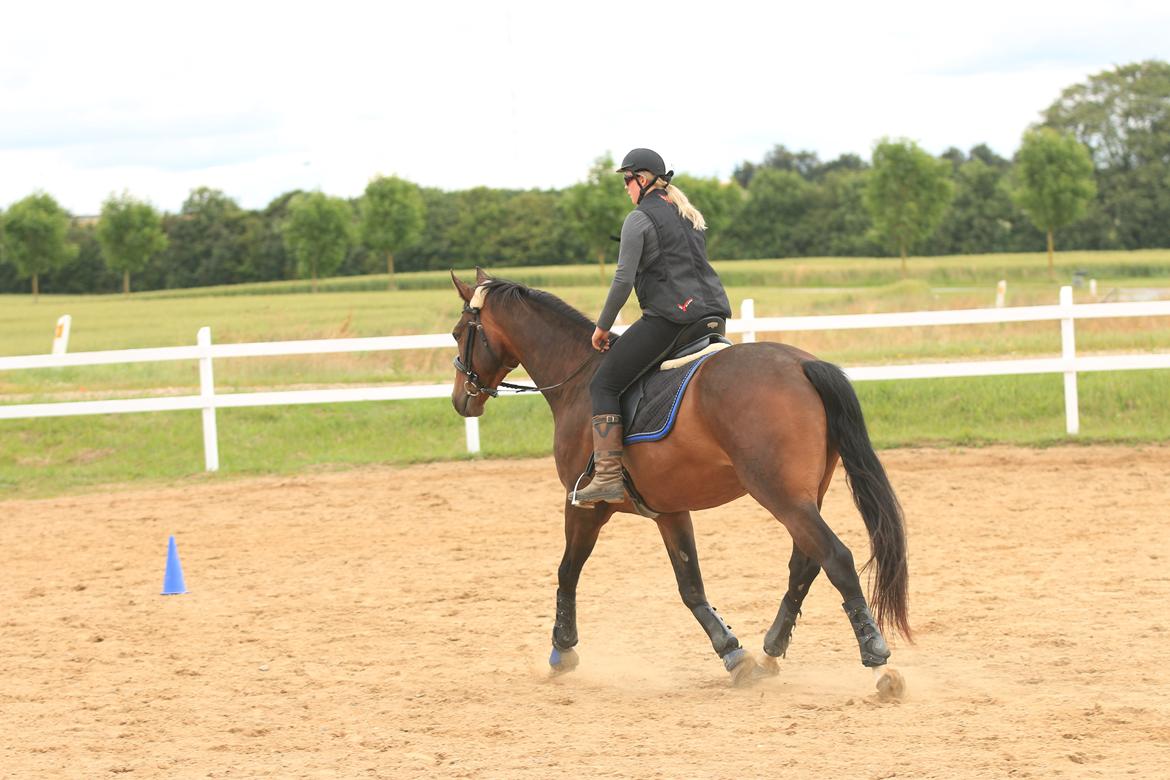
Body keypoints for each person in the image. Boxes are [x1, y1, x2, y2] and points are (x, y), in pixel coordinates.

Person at [572, 148, 732, 507]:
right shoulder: (687, 214)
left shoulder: (639, 219)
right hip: (714, 317)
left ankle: (609, 478)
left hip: (672, 321)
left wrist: (602, 327)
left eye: (627, 180)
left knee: (605, 382)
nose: (626, 188)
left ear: (641, 180)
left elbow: (622, 280)